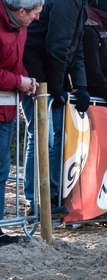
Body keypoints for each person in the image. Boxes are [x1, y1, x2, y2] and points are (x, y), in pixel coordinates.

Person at [23, 0, 91, 219]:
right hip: (37, 72)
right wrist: (55, 86)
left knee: (55, 137)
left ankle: (50, 196)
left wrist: (81, 86)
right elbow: (57, 45)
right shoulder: (67, 2)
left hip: (51, 76)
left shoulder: (80, 4)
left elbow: (76, 45)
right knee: (41, 136)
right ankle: (35, 200)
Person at [0, 0, 43, 245]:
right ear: (21, 11)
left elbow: (15, 64)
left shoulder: (21, 27)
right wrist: (18, 81)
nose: (38, 18)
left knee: (2, 170)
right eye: (35, 13)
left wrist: (25, 80)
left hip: (6, 109)